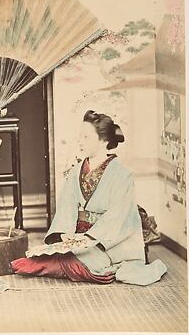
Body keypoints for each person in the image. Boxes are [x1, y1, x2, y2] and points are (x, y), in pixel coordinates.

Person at [11, 110, 167, 286]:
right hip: (78, 238)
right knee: (45, 257)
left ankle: (86, 264)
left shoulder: (122, 175)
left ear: (104, 141)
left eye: (86, 137)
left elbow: (118, 217)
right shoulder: (76, 171)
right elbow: (66, 207)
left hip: (108, 243)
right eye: (80, 136)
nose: (80, 141)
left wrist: (90, 238)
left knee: (79, 265)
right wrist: (64, 235)